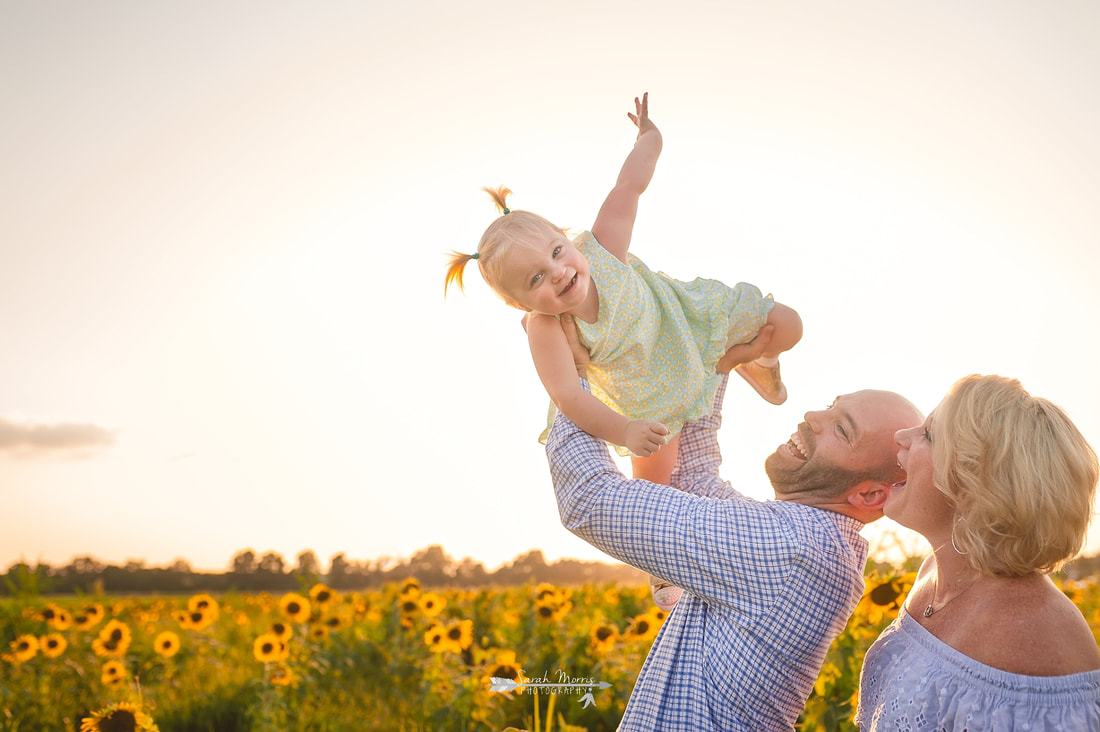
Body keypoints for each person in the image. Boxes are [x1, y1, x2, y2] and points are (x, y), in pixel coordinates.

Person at [445, 93, 802, 609]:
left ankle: (751, 359)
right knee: (657, 495)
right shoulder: (546, 328)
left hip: (689, 321)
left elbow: (629, 185)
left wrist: (649, 137)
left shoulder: (602, 249)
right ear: (517, 302)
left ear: (568, 240)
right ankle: (661, 574)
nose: (560, 272)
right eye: (536, 278)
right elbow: (568, 395)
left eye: (556, 252)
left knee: (788, 324)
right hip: (648, 394)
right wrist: (624, 431)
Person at [545, 317, 924, 730]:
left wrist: (568, 378)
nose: (813, 415)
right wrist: (719, 362)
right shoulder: (813, 542)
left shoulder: (793, 547)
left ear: (869, 496)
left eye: (842, 429)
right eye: (831, 405)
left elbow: (589, 499)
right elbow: (690, 478)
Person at [855, 374, 1100, 730]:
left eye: (928, 434)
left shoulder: (1034, 637)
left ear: (973, 484)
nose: (901, 437)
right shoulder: (933, 574)